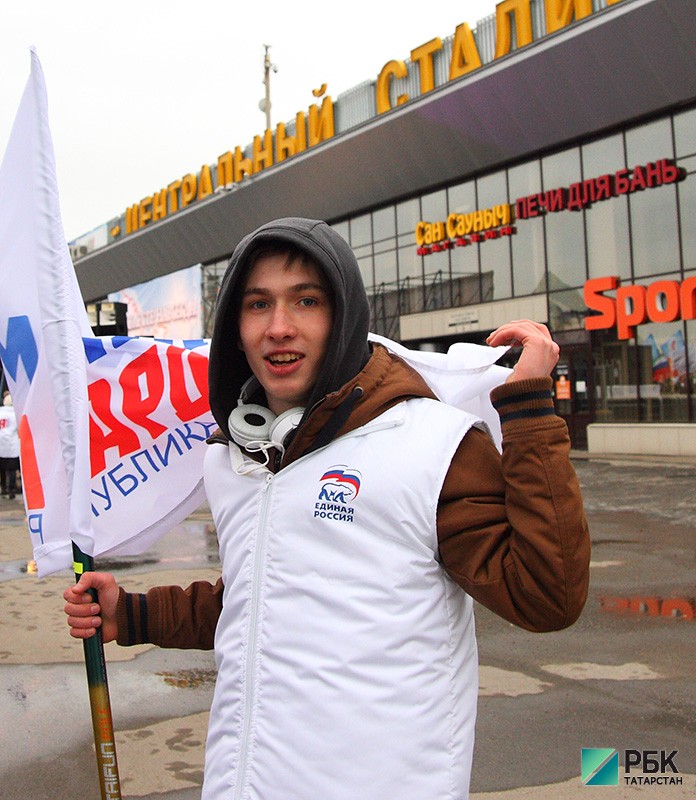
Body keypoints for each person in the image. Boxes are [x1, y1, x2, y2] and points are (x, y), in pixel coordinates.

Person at [64, 218, 590, 800]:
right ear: (234, 328)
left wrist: (529, 411)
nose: (279, 328)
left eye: (306, 301)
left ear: (343, 318)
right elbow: (258, 599)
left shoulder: (433, 443)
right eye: (257, 304)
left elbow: (546, 595)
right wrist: (133, 616)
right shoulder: (232, 459)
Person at [0, 394, 20, 499]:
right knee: (11, 468)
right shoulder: (16, 415)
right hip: (12, 444)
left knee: (1, 467)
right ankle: (12, 488)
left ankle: (3, 487)